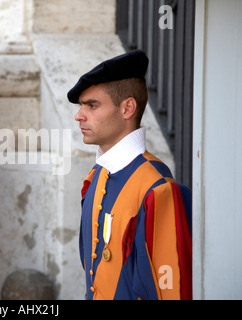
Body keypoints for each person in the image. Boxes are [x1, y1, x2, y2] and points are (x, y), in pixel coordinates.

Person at [68, 50, 192, 300]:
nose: (79, 115)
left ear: (127, 108)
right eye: (82, 105)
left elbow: (170, 291)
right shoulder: (96, 176)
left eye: (92, 105)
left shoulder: (159, 189)